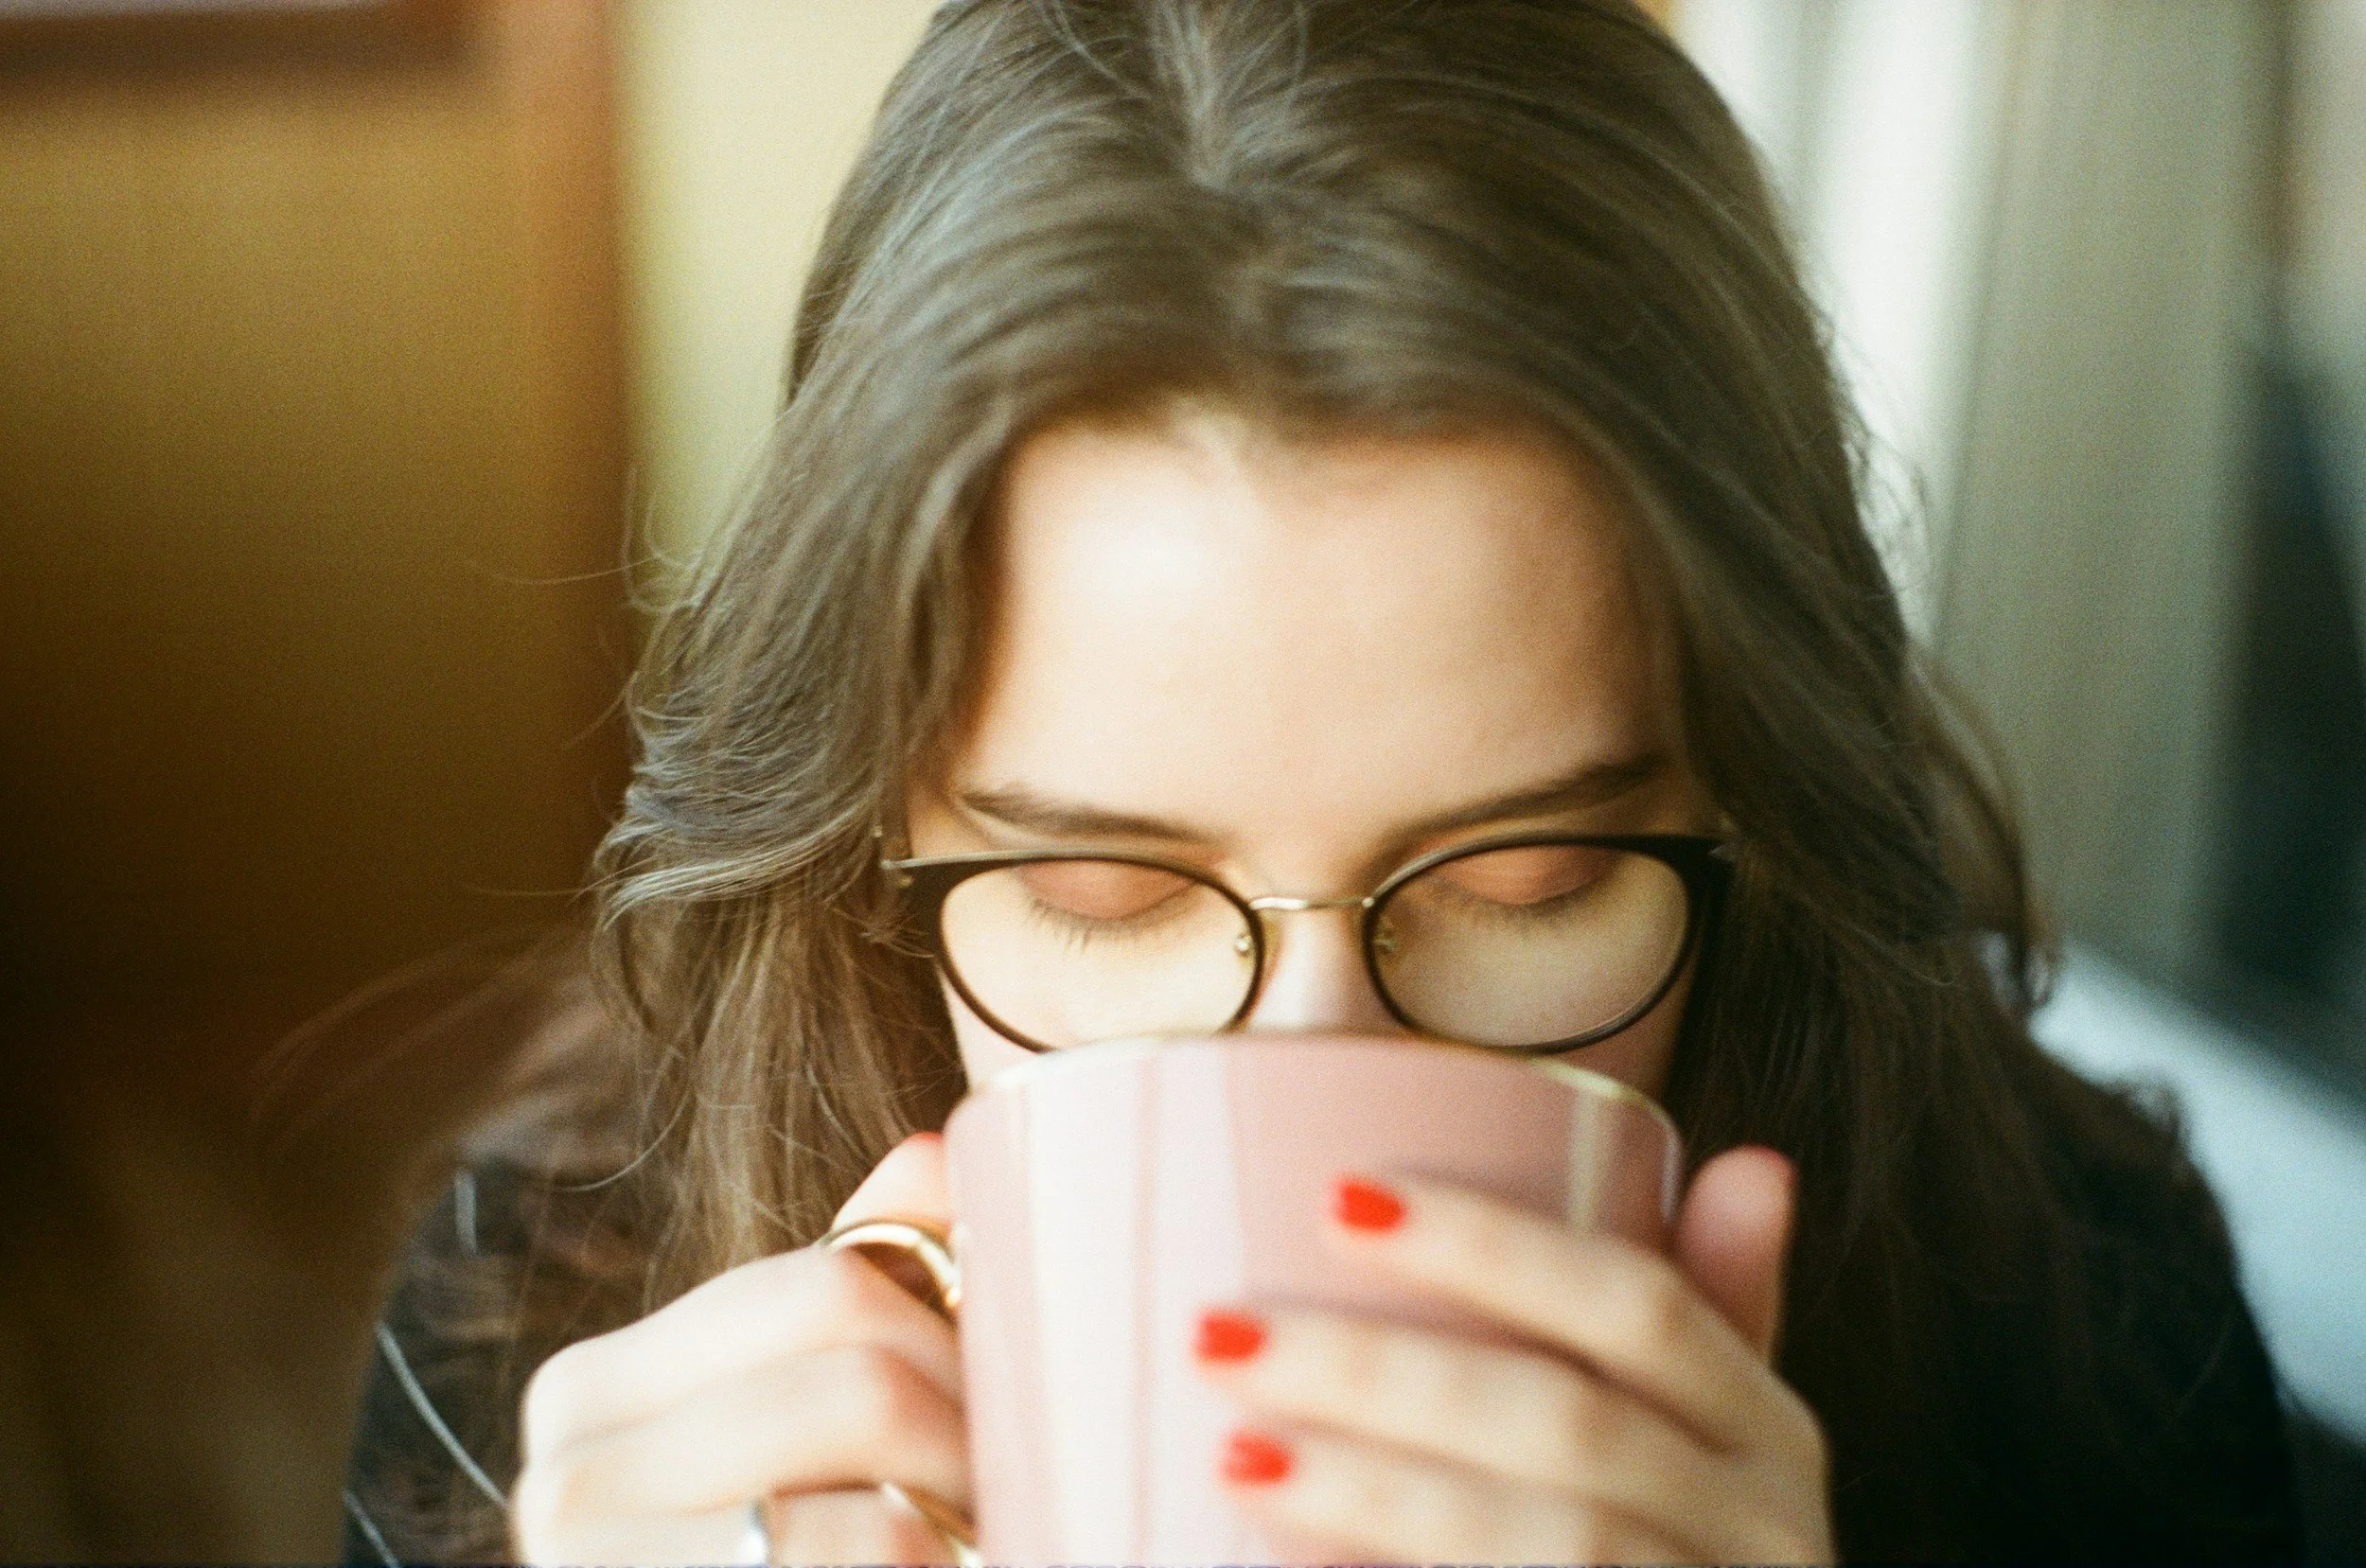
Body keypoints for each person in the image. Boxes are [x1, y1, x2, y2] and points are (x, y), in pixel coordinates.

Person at [341, 0, 2301, 1561]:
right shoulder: (545, 1317)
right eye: (1097, 896)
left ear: (1745, 821)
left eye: (1527, 880)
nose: (1295, 1073)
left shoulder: (2091, 1321)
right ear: (878, 836)